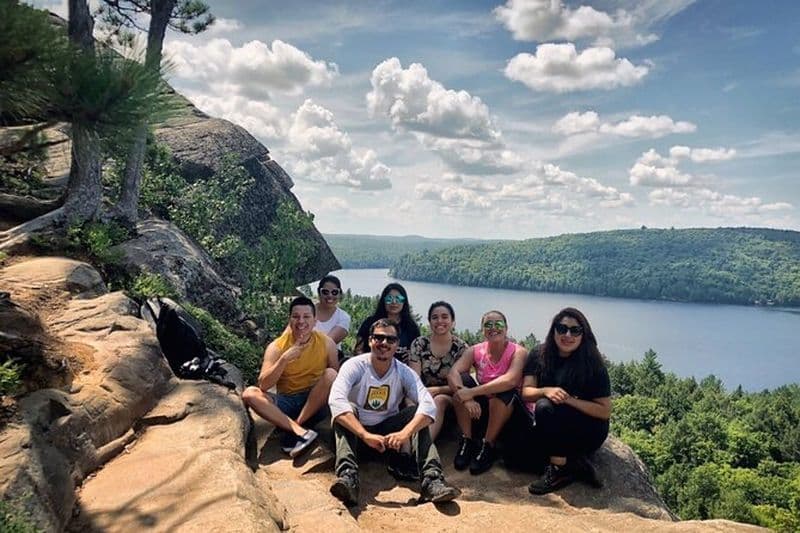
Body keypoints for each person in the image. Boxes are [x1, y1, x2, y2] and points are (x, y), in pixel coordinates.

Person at [328, 318, 461, 507]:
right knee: (347, 409)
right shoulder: (354, 366)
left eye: (390, 339)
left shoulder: (403, 372)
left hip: (385, 440)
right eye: (379, 338)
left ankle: (432, 480)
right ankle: (348, 477)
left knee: (417, 412)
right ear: (370, 340)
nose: (384, 343)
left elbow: (428, 404)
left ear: (397, 344)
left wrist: (404, 434)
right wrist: (364, 434)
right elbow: (336, 400)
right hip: (354, 438)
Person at [522, 307, 612, 495]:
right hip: (553, 427)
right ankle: (576, 464)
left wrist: (568, 400)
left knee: (545, 406)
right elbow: (527, 392)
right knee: (516, 459)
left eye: (575, 330)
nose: (567, 335)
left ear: (583, 334)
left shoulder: (592, 364)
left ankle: (559, 470)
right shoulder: (539, 354)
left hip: (587, 430)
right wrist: (546, 390)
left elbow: (604, 411)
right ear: (553, 330)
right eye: (562, 329)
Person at [242, 296, 338, 458]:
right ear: (290, 320)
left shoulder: (326, 343)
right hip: (287, 401)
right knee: (249, 394)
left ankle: (295, 428)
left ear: (315, 320)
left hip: (315, 401)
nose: (301, 321)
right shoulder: (277, 347)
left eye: (306, 317)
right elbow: (264, 386)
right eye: (296, 316)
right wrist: (284, 359)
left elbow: (336, 380)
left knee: (331, 374)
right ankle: (301, 431)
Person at [447, 310, 527, 475]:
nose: (493, 328)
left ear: (506, 328)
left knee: (504, 392)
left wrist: (472, 392)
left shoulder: (518, 352)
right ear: (482, 330)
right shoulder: (475, 351)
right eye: (488, 325)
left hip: (509, 409)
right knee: (461, 383)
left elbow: (510, 380)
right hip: (485, 409)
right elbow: (453, 373)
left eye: (498, 324)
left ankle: (488, 445)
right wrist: (467, 398)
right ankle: (467, 440)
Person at [408, 301, 467, 440]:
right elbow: (414, 378)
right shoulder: (419, 344)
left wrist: (436, 390)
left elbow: (461, 384)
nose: (440, 321)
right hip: (423, 392)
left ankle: (425, 447)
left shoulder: (461, 348)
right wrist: (423, 393)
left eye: (445, 317)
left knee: (439, 400)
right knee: (408, 399)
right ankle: (406, 443)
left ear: (453, 321)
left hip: (450, 396)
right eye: (435, 317)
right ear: (429, 321)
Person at [354, 283, 420, 364]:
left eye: (398, 298)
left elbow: (418, 353)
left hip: (402, 372)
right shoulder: (370, 323)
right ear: (383, 301)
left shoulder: (411, 328)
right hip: (372, 368)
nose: (394, 302)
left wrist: (412, 356)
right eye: (389, 298)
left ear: (404, 301)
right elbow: (358, 350)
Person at [314, 274, 351, 359]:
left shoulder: (343, 317)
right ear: (319, 292)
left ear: (339, 294)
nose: (330, 296)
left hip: (328, 360)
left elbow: (328, 343)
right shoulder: (307, 312)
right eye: (325, 292)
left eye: (334, 292)